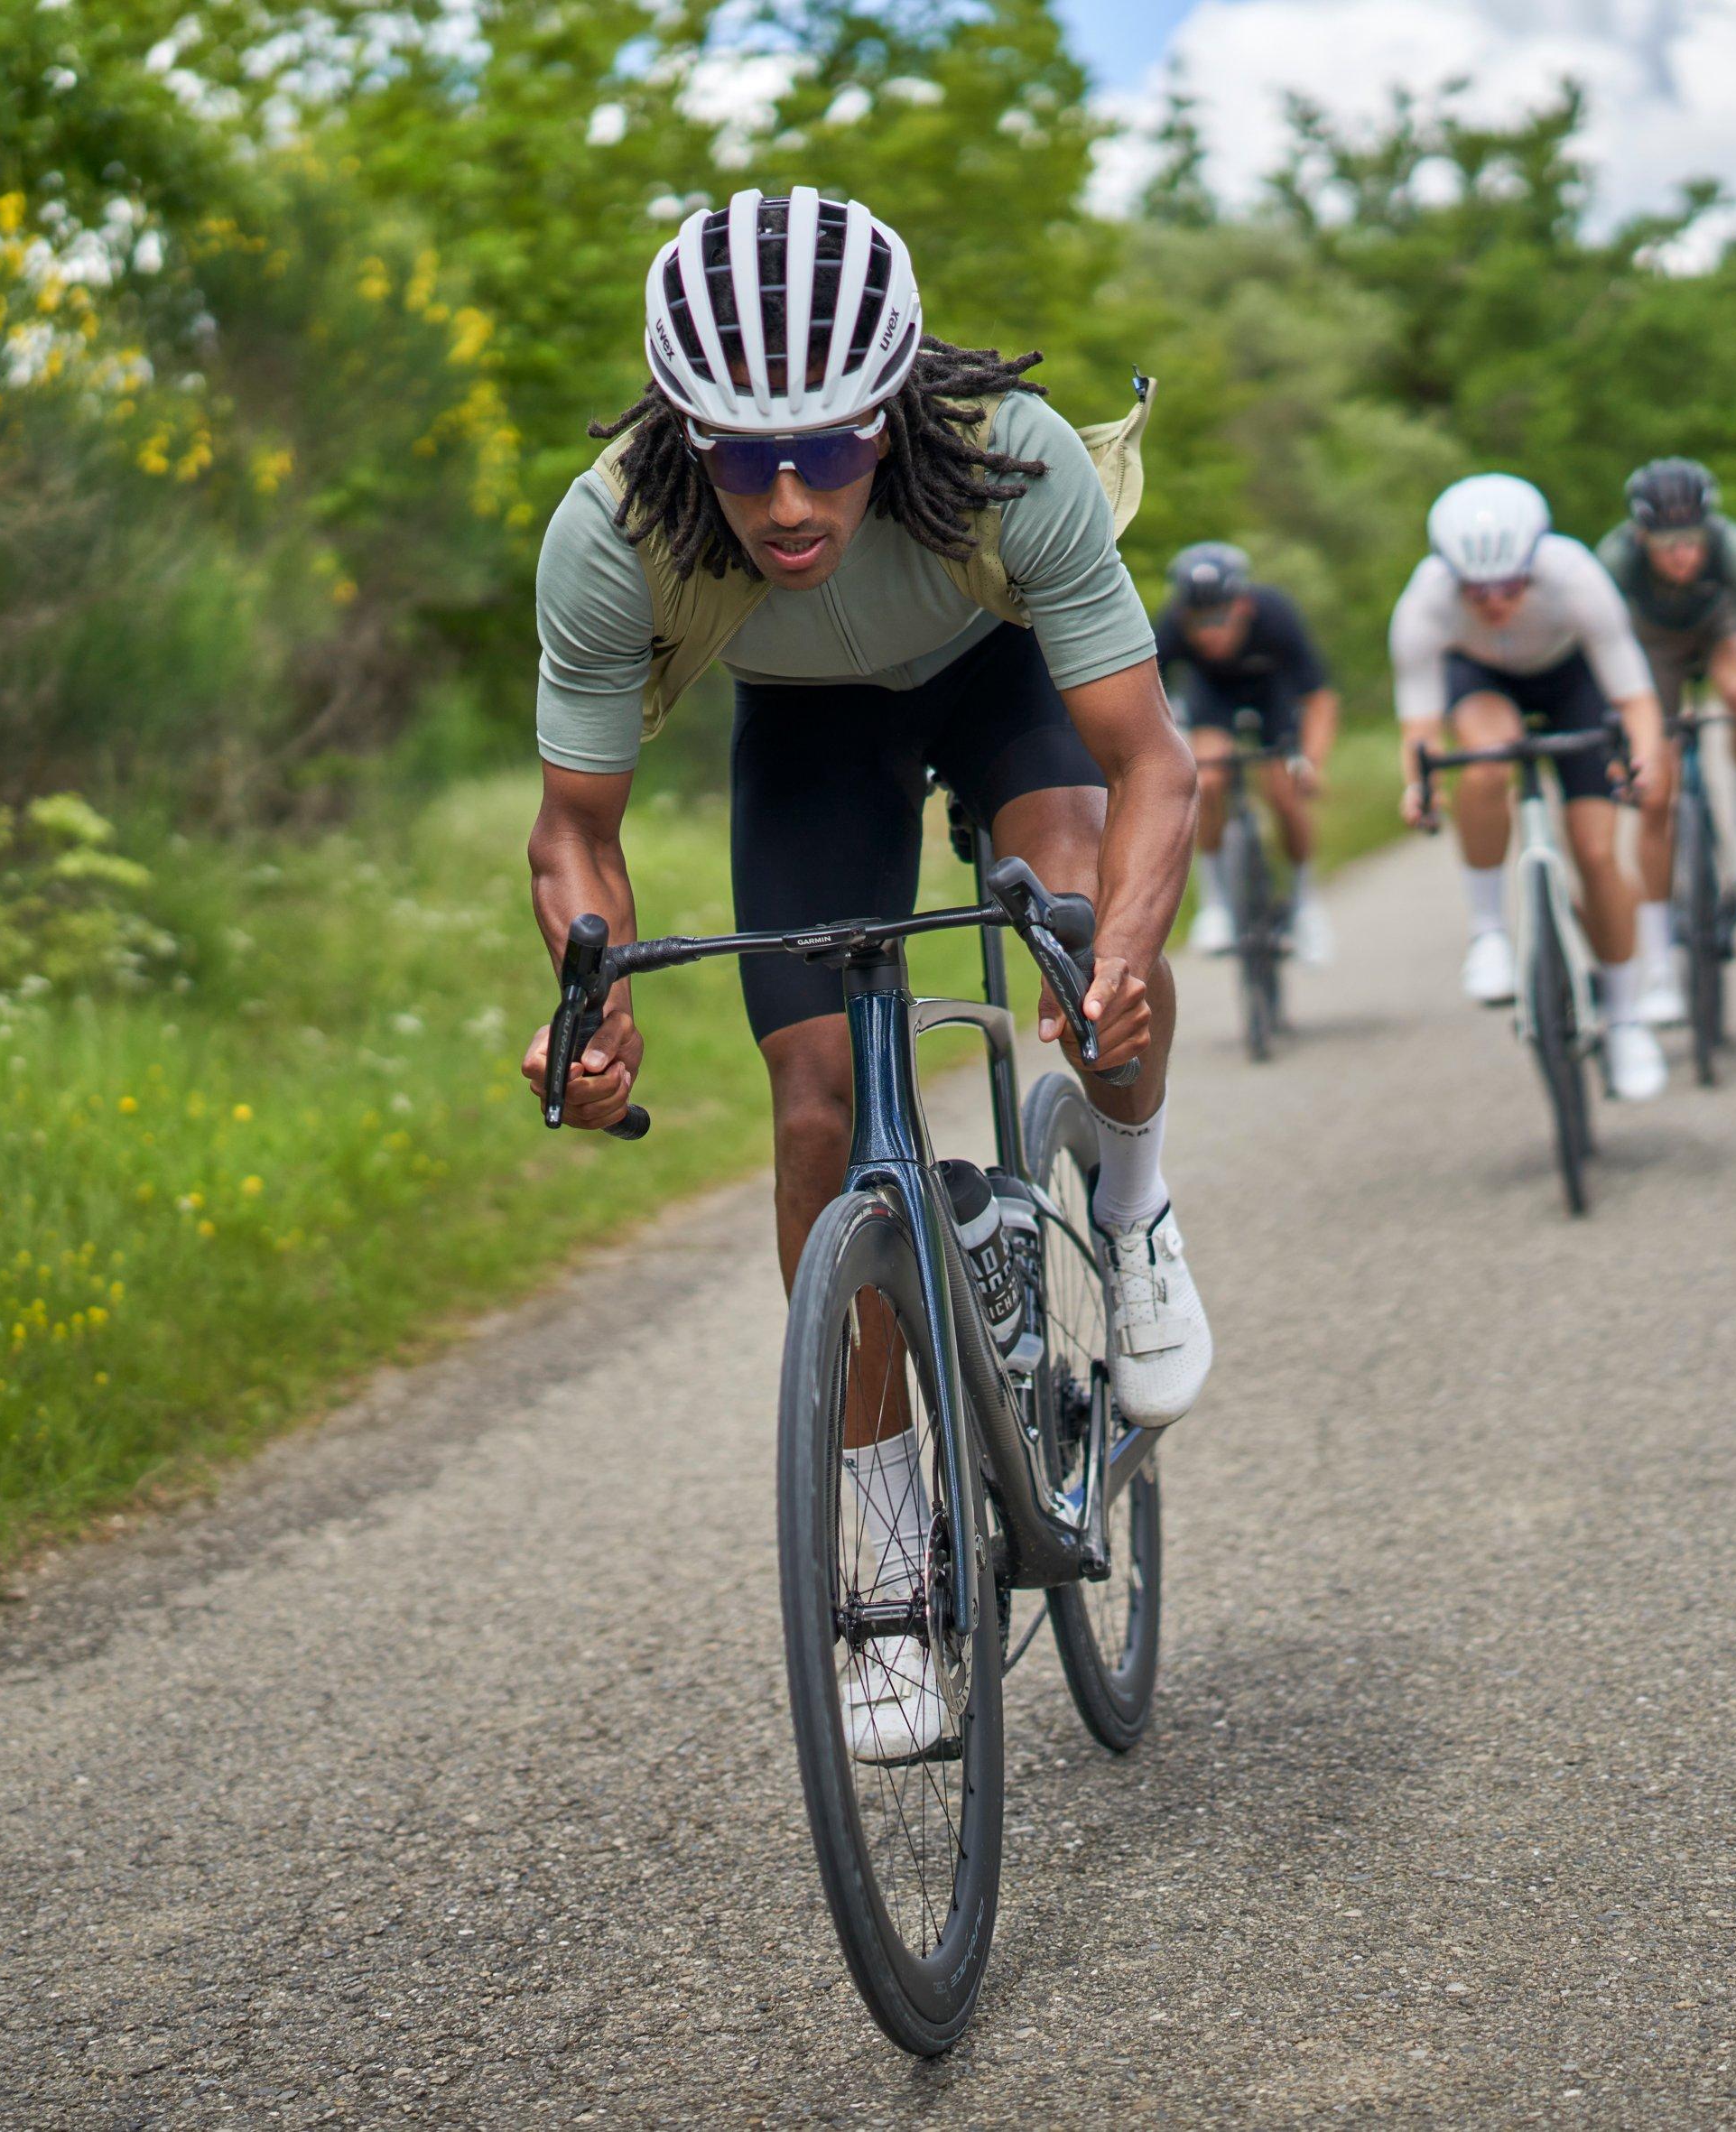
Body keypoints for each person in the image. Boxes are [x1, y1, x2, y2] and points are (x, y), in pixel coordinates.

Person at [517, 189, 1214, 1758]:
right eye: (736, 449)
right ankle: (890, 1564)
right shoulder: (613, 529)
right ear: (678, 428)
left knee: (1078, 911)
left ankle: (1132, 1208)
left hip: (1001, 671)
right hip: (808, 726)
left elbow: (1151, 760)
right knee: (816, 1112)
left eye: (827, 445)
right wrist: (589, 1002)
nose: (781, 496)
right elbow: (574, 831)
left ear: (894, 409)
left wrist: (1116, 949)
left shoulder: (1011, 461)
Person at [1391, 473, 1669, 1104]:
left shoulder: (1574, 576)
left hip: (1572, 679)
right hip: (1481, 678)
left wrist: (1646, 759)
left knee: (1597, 854)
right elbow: (1419, 725)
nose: (1493, 603)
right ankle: (1488, 932)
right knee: (1486, 760)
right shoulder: (1425, 600)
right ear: (1449, 574)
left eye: (1510, 586)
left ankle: (1626, 1020)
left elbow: (1632, 695)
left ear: (1532, 563)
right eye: (1476, 590)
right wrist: (1419, 787)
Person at [1597, 460, 1736, 1031]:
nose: (1682, 555)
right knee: (1655, 796)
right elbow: (1602, 664)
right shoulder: (1613, 563)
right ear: (1641, 537)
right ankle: (1658, 964)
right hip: (1649, 649)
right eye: (1666, 544)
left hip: (1717, 631)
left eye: (1692, 541)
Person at [1152, 542, 1341, 964]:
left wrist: (1311, 761)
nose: (1210, 633)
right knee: (1208, 779)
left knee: (1285, 793)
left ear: (1244, 607)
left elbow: (1320, 698)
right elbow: (1146, 697)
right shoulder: (1170, 627)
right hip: (1211, 698)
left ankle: (1304, 902)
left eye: (1220, 617)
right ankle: (1216, 902)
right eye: (1198, 621)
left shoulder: (1276, 615)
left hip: (1271, 695)